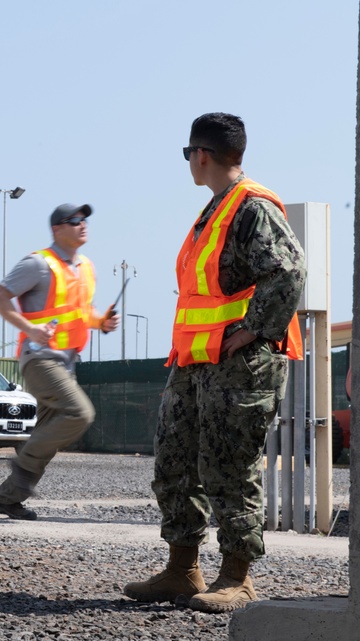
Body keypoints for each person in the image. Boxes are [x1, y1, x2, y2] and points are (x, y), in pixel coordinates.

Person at [123, 113, 305, 613]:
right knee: (176, 463)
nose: (190, 162)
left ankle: (236, 577)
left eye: (188, 155)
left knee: (228, 467)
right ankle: (182, 570)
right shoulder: (216, 209)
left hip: (240, 363)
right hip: (197, 361)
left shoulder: (251, 208)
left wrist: (253, 329)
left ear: (200, 155)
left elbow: (289, 273)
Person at [0, 203, 120, 521]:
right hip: (39, 360)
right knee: (80, 413)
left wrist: (101, 321)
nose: (82, 224)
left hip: (66, 363)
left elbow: (78, 313)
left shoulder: (86, 267)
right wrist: (30, 328)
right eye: (74, 220)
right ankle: (21, 465)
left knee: (46, 436)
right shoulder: (37, 264)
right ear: (56, 229)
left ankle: (7, 499)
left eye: (85, 219)